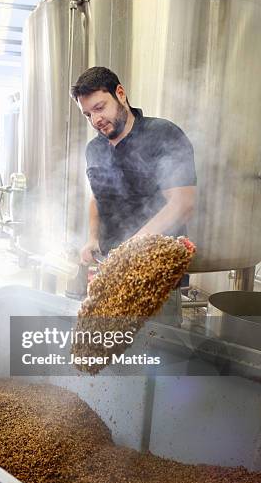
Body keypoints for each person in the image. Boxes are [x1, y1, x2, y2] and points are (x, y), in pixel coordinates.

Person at [70, 66, 197, 322]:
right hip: (108, 276)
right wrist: (93, 238)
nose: (95, 120)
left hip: (156, 283)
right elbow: (97, 196)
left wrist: (132, 247)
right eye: (87, 115)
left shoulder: (163, 134)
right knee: (108, 356)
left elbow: (183, 203)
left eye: (99, 108)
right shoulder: (94, 149)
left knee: (158, 356)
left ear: (120, 94)